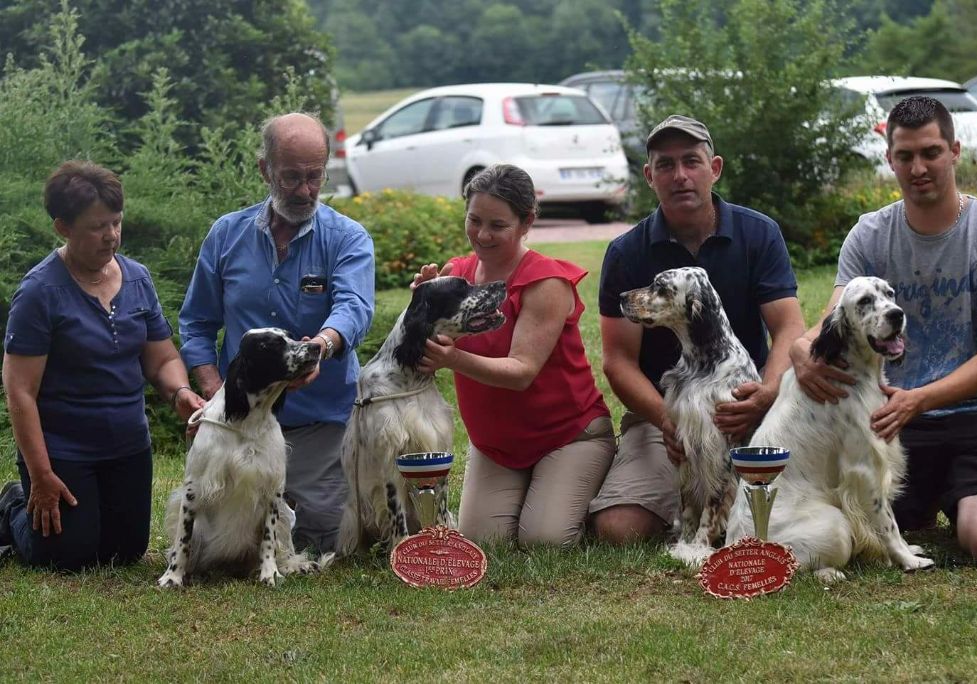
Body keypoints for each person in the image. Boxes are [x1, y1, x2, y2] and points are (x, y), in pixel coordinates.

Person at [791, 96, 977, 564]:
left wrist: (920, 398)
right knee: (855, 528)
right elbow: (831, 319)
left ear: (955, 151)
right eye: (905, 156)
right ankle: (931, 501)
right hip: (893, 419)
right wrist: (801, 349)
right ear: (889, 159)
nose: (919, 168)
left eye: (931, 152)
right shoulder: (868, 234)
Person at [589, 115, 806, 544]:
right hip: (663, 416)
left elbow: (789, 328)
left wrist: (767, 393)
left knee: (786, 507)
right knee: (618, 529)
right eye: (665, 165)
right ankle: (694, 510)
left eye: (692, 161)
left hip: (749, 413)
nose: (680, 175)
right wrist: (668, 421)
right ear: (650, 176)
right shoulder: (626, 252)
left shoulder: (758, 233)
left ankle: (729, 509)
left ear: (715, 168)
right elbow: (618, 362)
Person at [178, 112, 374, 555]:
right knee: (219, 535)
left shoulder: (348, 238)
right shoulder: (226, 234)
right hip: (237, 417)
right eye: (290, 177)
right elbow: (196, 322)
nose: (305, 191)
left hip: (318, 418)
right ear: (264, 169)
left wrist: (321, 346)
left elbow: (354, 309)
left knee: (318, 536)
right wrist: (216, 394)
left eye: (315, 176)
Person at [0, 161, 204, 570]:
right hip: (63, 450)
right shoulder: (40, 292)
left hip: (127, 446)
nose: (111, 236)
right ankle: (11, 505)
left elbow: (161, 357)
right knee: (65, 557)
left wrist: (180, 392)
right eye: (97, 227)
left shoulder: (138, 279)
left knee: (123, 553)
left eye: (116, 222)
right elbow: (20, 391)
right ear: (62, 227)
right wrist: (41, 476)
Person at [413, 164, 615, 548]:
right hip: (497, 445)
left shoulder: (545, 282)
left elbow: (522, 371)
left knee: (544, 540)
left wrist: (452, 359)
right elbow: (422, 347)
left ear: (527, 223)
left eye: (498, 225)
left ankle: (592, 486)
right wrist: (423, 306)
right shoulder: (457, 272)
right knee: (482, 541)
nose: (482, 235)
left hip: (568, 437)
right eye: (474, 220)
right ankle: (538, 492)